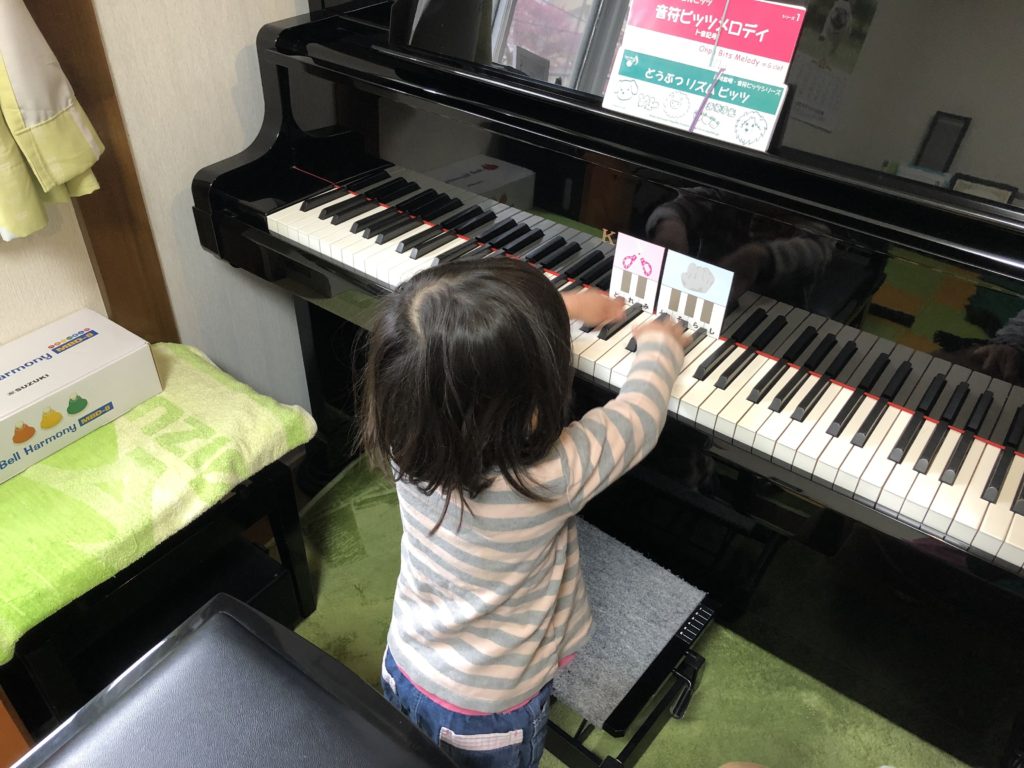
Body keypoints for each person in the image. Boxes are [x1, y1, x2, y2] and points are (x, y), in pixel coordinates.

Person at [357, 257, 688, 768]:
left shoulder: (408, 442)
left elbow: (466, 356)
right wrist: (660, 349)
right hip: (494, 714)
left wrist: (562, 307)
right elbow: (638, 419)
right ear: (528, 408)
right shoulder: (552, 474)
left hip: (406, 663)